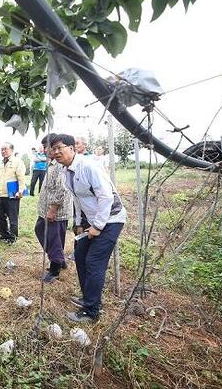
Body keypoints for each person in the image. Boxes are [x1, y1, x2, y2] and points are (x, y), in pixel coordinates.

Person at [50, 134, 126, 323]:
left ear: (72, 148)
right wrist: (78, 223)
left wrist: (98, 226)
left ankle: (92, 311)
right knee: (81, 256)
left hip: (111, 219)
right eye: (54, 149)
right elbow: (78, 199)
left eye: (60, 147)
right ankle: (88, 298)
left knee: (94, 262)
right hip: (90, 220)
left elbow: (106, 197)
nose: (56, 152)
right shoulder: (65, 171)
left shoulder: (89, 166)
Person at [34, 133, 72, 283]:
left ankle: (55, 269)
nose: (44, 150)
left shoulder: (59, 164)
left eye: (46, 147)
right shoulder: (50, 163)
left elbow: (62, 189)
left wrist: (53, 209)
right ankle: (59, 259)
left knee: (54, 239)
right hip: (46, 210)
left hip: (56, 212)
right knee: (40, 230)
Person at [0, 142, 26, 244]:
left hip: (12, 194)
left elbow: (21, 178)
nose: (3, 151)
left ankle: (13, 238)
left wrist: (20, 191)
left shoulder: (17, 162)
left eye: (5, 149)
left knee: (13, 217)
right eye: (2, 149)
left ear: (11, 150)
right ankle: (4, 235)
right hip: (1, 194)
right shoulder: (0, 164)